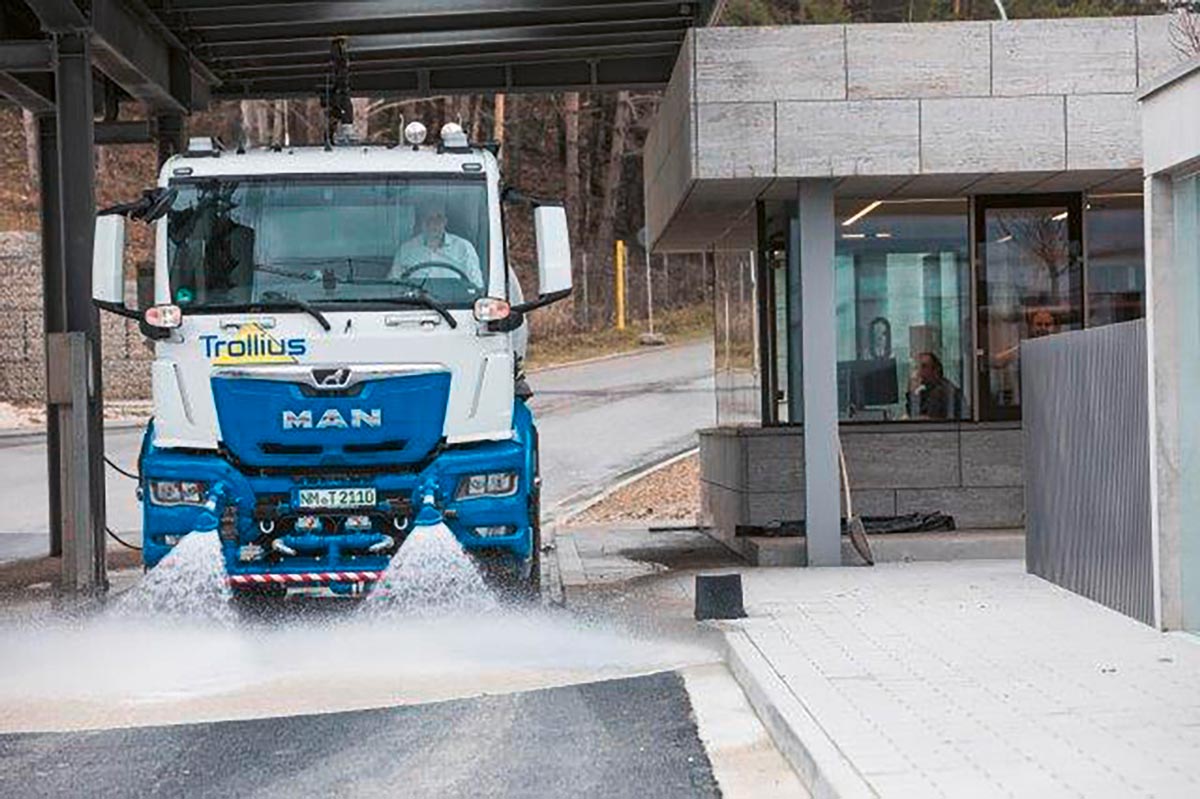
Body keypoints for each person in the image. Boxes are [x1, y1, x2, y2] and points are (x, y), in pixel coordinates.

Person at [391, 201, 483, 287]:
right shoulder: (406, 250)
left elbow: (476, 285)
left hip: (454, 302)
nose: (433, 223)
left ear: (445, 221)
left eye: (438, 218)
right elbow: (393, 284)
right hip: (414, 302)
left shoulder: (464, 248)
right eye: (429, 218)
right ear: (422, 221)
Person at [909, 351, 963, 420]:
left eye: (924, 366)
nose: (919, 371)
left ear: (935, 370)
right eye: (917, 367)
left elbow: (930, 419)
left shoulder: (941, 391)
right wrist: (912, 392)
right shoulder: (928, 389)